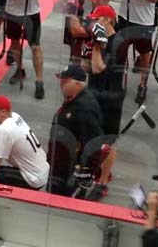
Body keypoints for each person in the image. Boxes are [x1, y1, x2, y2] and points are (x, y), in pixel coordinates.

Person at [48, 64, 116, 201]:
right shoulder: (73, 98)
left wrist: (83, 175)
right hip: (60, 165)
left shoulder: (84, 108)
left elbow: (94, 146)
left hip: (71, 172)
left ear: (78, 83)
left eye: (65, 81)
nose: (61, 84)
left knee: (65, 207)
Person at [0, 95, 49, 190]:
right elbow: (12, 134)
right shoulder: (15, 116)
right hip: (43, 169)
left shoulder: (3, 129)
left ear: (3, 112)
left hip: (33, 179)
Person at [87, 5, 127, 135]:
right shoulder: (101, 39)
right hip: (95, 93)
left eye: (96, 19)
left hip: (109, 100)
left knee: (105, 141)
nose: (93, 23)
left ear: (107, 20)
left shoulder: (118, 43)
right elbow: (85, 66)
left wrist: (96, 45)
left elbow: (98, 68)